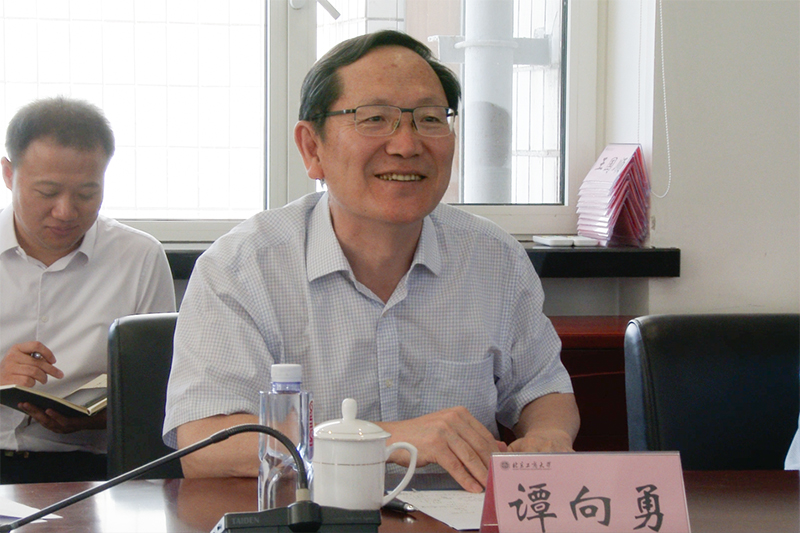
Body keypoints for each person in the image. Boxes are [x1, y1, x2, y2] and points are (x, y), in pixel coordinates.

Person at [163, 30, 579, 493]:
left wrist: (548, 436)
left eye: (429, 119)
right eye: (375, 119)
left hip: (454, 520)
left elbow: (543, 389)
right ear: (312, 148)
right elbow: (203, 445)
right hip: (311, 518)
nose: (406, 145)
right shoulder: (241, 268)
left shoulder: (494, 258)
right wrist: (385, 441)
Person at [0, 97, 176, 484]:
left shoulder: (139, 257)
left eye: (86, 194)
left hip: (92, 470)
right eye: (47, 192)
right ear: (9, 174)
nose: (66, 211)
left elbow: (162, 393)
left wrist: (102, 416)